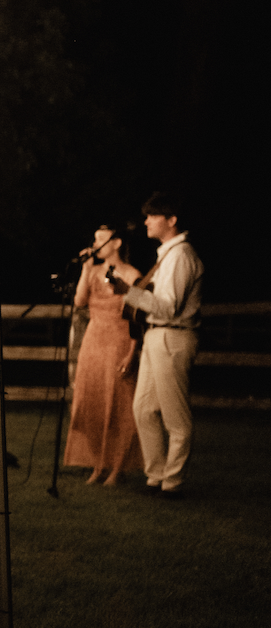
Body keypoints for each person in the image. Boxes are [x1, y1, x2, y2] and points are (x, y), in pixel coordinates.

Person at [105, 193, 204, 497]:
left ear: (171, 220)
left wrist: (126, 292)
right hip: (156, 335)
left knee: (176, 417)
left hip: (173, 335)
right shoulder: (167, 255)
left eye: (153, 215)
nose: (146, 220)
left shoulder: (181, 255)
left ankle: (172, 483)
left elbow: (168, 307)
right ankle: (156, 476)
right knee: (144, 409)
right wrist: (130, 293)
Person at [62, 224, 144, 485]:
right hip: (93, 340)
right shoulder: (93, 270)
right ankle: (97, 464)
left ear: (116, 243)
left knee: (119, 405)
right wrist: (86, 268)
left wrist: (132, 353)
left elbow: (137, 319)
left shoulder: (132, 275)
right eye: (94, 239)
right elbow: (79, 301)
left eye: (101, 239)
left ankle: (117, 467)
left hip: (119, 340)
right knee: (91, 401)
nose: (95, 244)